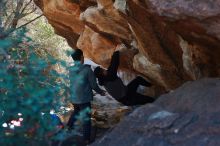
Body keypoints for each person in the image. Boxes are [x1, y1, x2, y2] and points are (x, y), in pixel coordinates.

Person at [67, 49, 105, 144]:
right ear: (81, 57)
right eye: (82, 56)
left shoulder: (71, 70)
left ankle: (68, 128)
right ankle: (86, 140)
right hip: (83, 98)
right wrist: (101, 92)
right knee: (86, 119)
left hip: (74, 97)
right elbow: (93, 85)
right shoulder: (87, 70)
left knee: (76, 111)